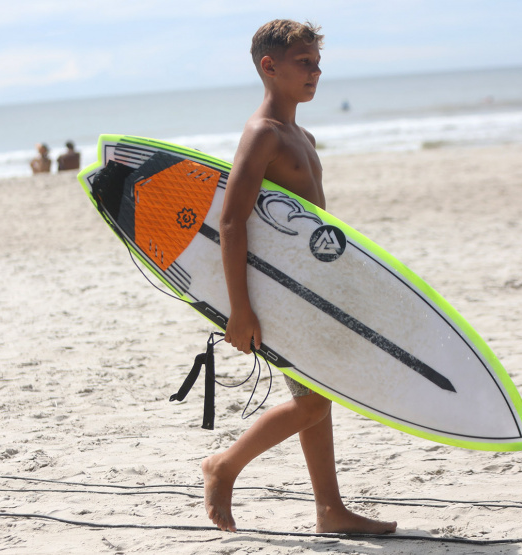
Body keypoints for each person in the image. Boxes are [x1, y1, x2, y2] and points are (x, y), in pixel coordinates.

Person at [201, 19, 398, 535]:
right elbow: (229, 221)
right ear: (270, 67)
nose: (314, 72)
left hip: (315, 288)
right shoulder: (262, 133)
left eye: (317, 63)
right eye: (303, 63)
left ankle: (329, 511)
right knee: (314, 403)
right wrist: (240, 309)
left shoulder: (301, 134)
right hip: (282, 296)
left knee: (318, 398)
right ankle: (224, 466)